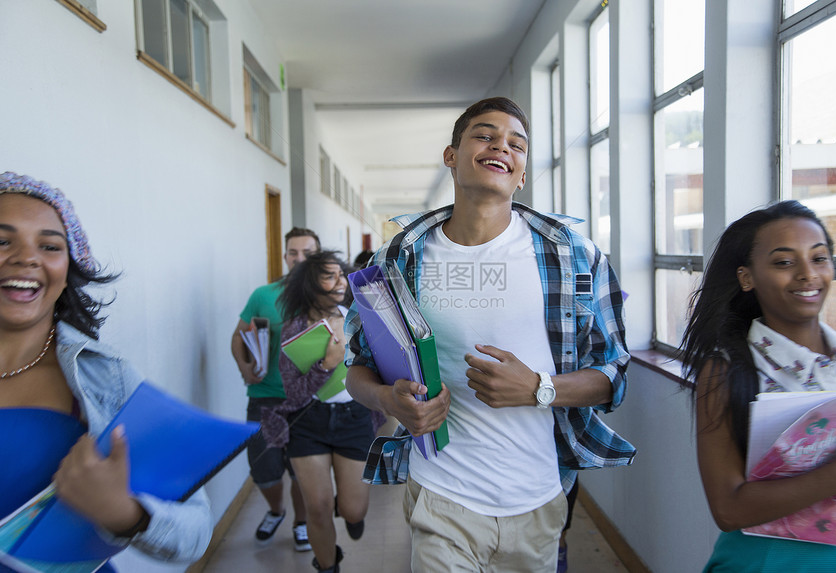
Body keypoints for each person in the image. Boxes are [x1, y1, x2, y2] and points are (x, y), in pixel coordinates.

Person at [344, 97, 634, 572]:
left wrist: (540, 388)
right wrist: (388, 400)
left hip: (537, 499)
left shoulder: (574, 258)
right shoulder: (398, 261)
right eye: (484, 134)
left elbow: (614, 375)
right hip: (441, 493)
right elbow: (356, 367)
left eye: (516, 143)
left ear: (521, 174)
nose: (501, 145)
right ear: (452, 155)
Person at [0, 172, 212, 569]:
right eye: (2, 240)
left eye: (49, 245)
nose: (26, 258)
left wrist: (124, 512)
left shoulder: (105, 378)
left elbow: (195, 530)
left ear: (69, 266)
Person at [680, 200, 836, 571]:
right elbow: (728, 510)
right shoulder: (727, 369)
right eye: (784, 262)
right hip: (768, 562)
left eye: (819, 258)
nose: (808, 274)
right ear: (747, 277)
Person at [262, 251, 382, 573]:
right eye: (329, 277)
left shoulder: (359, 316)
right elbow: (295, 393)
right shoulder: (294, 329)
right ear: (309, 286)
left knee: (354, 510)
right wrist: (326, 365)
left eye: (340, 275)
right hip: (308, 422)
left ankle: (350, 513)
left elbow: (381, 366)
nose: (340, 281)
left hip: (354, 418)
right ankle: (328, 565)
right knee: (317, 508)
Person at [230, 226, 320, 549]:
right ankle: (276, 510)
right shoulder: (262, 295)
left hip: (308, 400)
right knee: (264, 470)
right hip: (264, 397)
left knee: (301, 471)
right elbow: (237, 337)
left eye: (307, 254)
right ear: (284, 257)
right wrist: (244, 367)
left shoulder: (326, 295)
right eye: (293, 253)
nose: (299, 259)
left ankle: (301, 522)